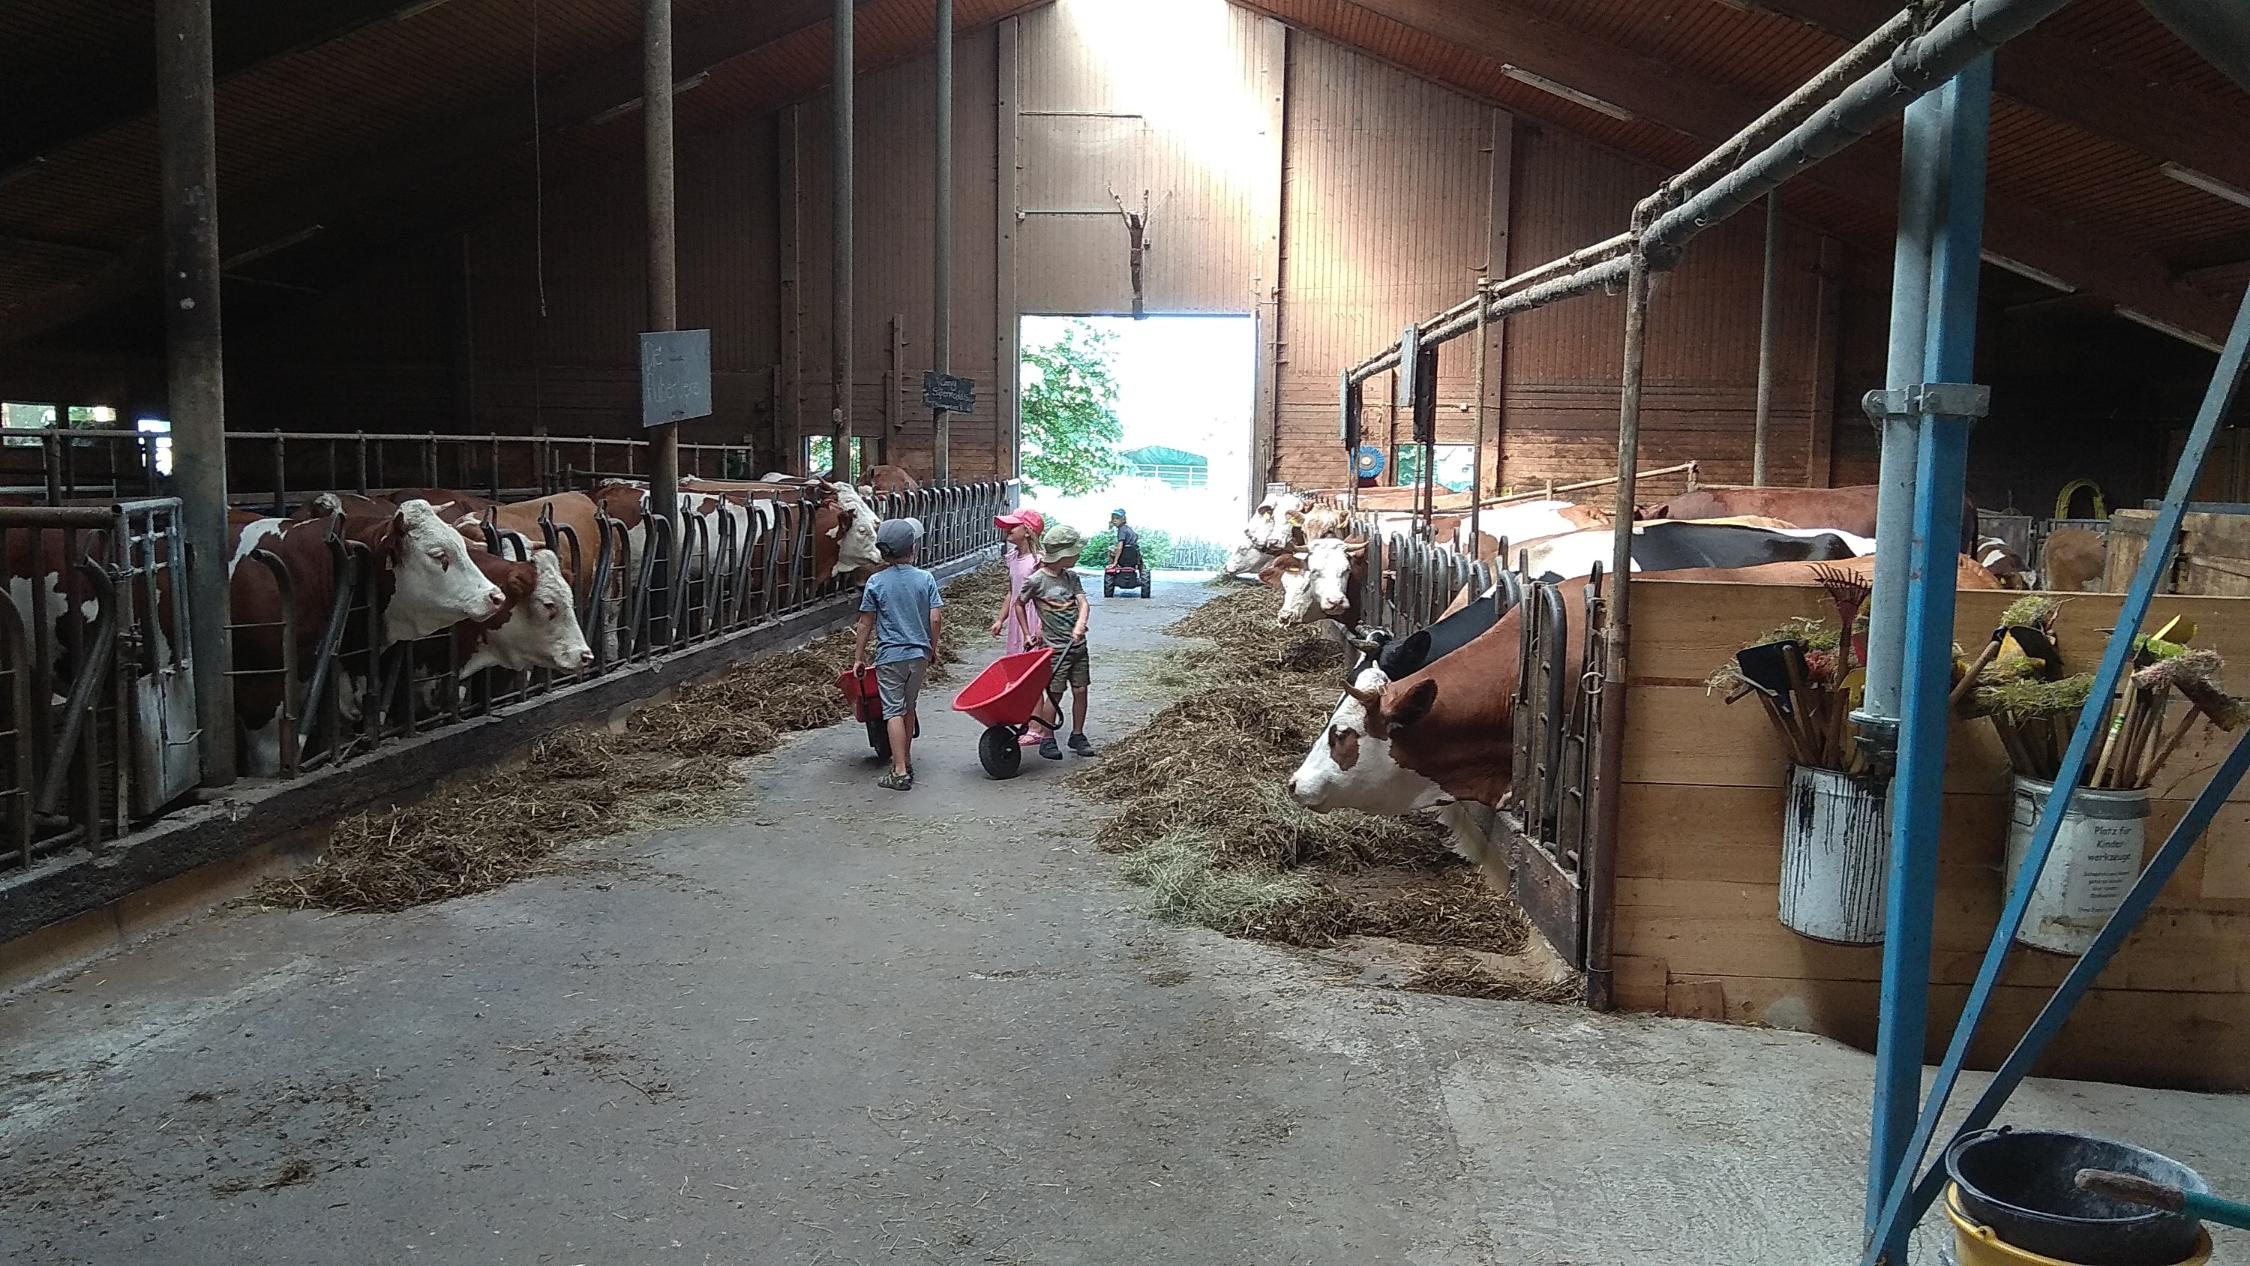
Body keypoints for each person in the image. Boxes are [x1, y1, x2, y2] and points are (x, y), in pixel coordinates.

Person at [851, 518, 942, 791]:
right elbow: (935, 618)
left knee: (892, 711)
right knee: (909, 707)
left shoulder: (876, 582)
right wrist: (932, 647)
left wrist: (859, 657)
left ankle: (899, 771)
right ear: (913, 548)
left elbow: (865, 621)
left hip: (890, 657)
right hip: (918, 655)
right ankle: (907, 759)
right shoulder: (925, 578)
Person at [1021, 524, 1095, 760]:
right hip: (1055, 650)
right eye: (1075, 552)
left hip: (1077, 647)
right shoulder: (1037, 581)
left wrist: (1080, 624)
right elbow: (1019, 604)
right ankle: (1047, 737)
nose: (1078, 556)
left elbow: (1083, 603)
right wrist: (1027, 633)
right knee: (1055, 693)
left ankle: (1077, 733)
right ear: (1064, 555)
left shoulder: (1072, 578)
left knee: (1081, 689)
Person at [988, 507, 1049, 747]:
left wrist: (1043, 624)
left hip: (1033, 618)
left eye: (1013, 526)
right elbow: (1012, 592)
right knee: (1019, 674)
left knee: (1031, 676)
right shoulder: (1012, 557)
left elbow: (1046, 594)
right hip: (1018, 618)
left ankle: (1037, 728)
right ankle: (1030, 720)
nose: (1007, 529)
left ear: (1027, 531)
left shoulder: (1038, 561)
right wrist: (1000, 619)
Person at [1105, 508, 1141, 575]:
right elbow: (1136, 537)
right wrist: (1110, 526)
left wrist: (1115, 561)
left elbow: (1120, 547)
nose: (1114, 520)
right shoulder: (1128, 529)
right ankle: (1140, 568)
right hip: (1134, 554)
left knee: (1110, 550)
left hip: (1125, 553)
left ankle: (1114, 566)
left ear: (1123, 519)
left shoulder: (1121, 530)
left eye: (1117, 518)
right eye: (1113, 518)